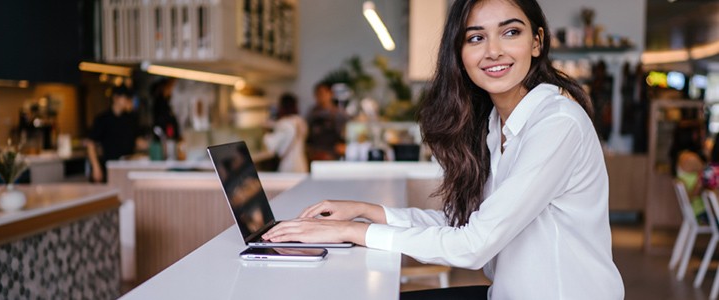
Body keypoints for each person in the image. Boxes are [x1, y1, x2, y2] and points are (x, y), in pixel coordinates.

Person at [261, 0, 625, 299]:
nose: (493, 50)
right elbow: (468, 226)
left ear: (537, 42)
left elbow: (473, 245)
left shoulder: (556, 123)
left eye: (510, 32)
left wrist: (350, 232)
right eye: (476, 38)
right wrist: (365, 212)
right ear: (460, 53)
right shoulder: (498, 124)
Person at [86, 85, 144, 183]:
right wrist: (96, 167)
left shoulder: (131, 119)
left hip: (129, 167)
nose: (127, 101)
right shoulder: (103, 119)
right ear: (115, 98)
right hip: (110, 167)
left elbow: (137, 142)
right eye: (125, 98)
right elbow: (91, 144)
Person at [262, 93, 308, 172]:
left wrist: (266, 132)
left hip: (288, 165)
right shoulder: (301, 121)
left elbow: (272, 146)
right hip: (301, 163)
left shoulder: (283, 123)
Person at [306, 82, 347, 161]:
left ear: (330, 94)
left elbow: (345, 135)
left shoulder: (339, 114)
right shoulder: (312, 113)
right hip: (315, 155)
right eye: (317, 94)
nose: (320, 96)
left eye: (322, 93)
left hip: (333, 156)